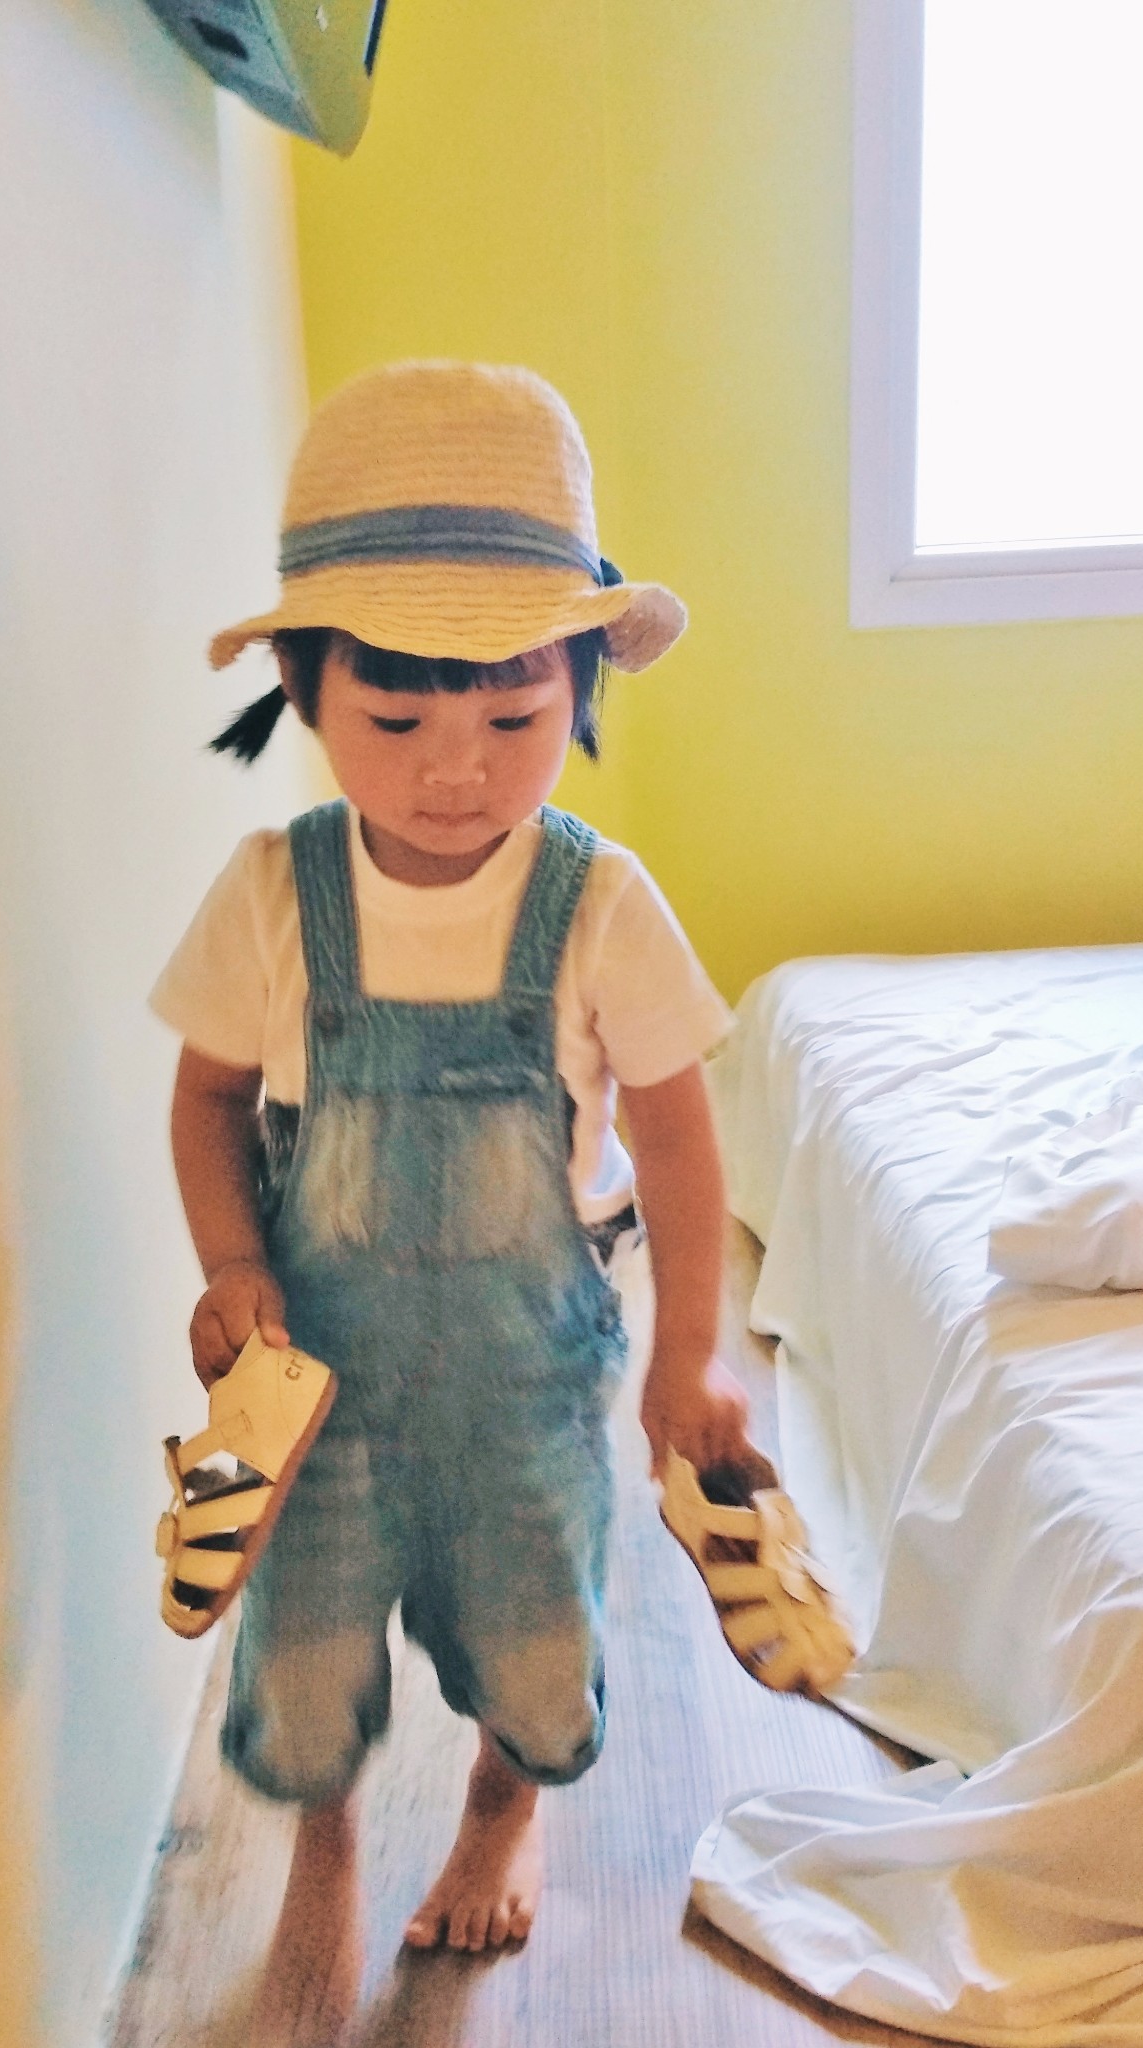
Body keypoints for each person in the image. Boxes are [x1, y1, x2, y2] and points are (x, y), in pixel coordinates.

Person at [151, 360, 752, 2038]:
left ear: (580, 686)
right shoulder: (274, 897)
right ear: (303, 686)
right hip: (317, 1391)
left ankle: (500, 1810)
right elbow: (205, 1101)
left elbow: (682, 1142)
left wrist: (687, 1352)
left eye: (513, 717)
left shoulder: (600, 905)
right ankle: (328, 1849)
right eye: (398, 720)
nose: (457, 773)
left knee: (535, 1639)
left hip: (521, 1385)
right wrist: (230, 1260)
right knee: (303, 1651)